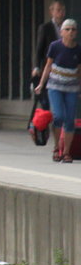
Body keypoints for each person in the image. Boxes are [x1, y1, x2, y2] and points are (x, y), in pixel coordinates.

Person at [34, 17, 81, 163]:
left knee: (69, 120)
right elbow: (48, 66)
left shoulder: (78, 49)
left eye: (73, 29)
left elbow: (80, 70)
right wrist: (41, 84)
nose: (70, 32)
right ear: (61, 32)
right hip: (55, 86)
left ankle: (66, 152)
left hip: (72, 87)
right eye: (67, 29)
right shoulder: (55, 46)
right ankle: (56, 147)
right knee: (59, 116)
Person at [32, 0, 67, 82]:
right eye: (58, 10)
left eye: (63, 10)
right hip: (50, 66)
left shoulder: (68, 28)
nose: (61, 13)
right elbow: (39, 49)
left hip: (65, 66)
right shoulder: (45, 28)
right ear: (52, 12)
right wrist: (36, 67)